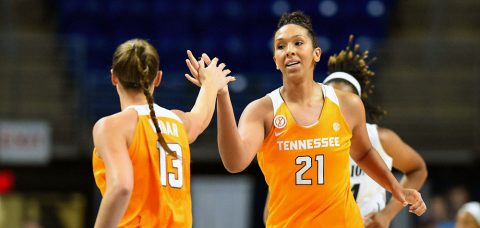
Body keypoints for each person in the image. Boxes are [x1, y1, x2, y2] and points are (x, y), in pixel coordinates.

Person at [185, 11, 426, 227]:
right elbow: (234, 162)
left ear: (316, 54)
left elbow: (363, 153)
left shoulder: (348, 104)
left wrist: (396, 189)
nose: (289, 50)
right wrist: (222, 96)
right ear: (275, 60)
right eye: (280, 46)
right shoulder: (261, 110)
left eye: (298, 43)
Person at [92, 39, 234, 227]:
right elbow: (199, 119)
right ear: (157, 78)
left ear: (114, 77)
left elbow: (121, 187)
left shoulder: (112, 126)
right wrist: (211, 84)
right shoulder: (177, 122)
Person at [322, 35, 428, 227]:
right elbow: (272, 209)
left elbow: (417, 169)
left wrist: (387, 214)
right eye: (331, 98)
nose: (337, 105)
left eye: (344, 100)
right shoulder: (303, 140)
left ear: (357, 104)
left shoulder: (380, 139)